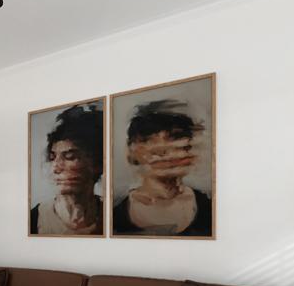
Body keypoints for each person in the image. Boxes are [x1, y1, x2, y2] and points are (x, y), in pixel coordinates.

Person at [112, 99, 212, 237]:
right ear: (132, 151)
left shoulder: (209, 207)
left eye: (175, 138)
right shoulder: (113, 214)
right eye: (149, 140)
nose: (166, 152)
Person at [30, 103, 104, 235]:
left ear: (97, 164)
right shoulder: (34, 219)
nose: (55, 167)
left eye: (70, 157)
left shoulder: (114, 215)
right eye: (52, 158)